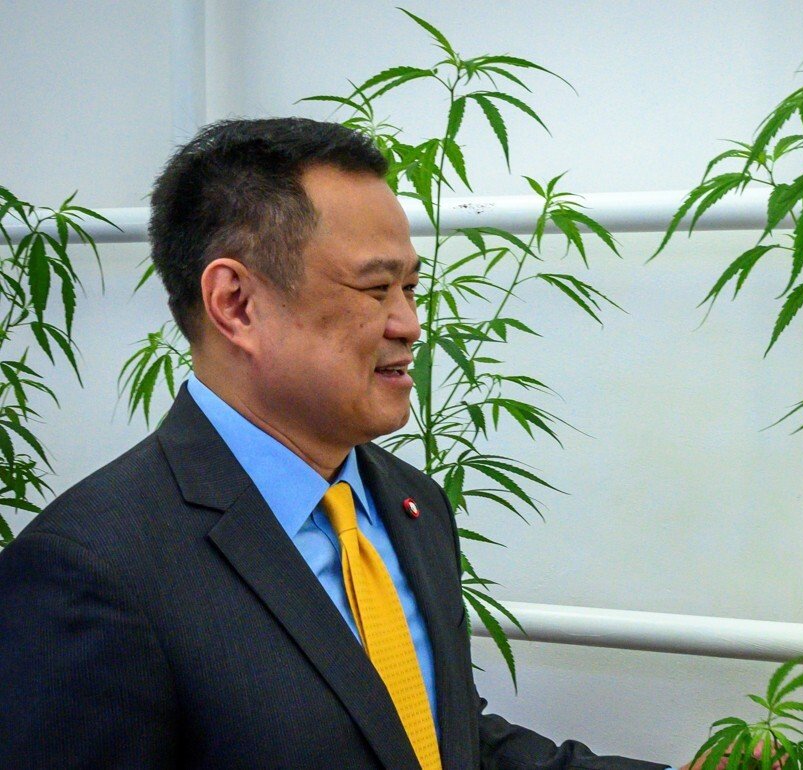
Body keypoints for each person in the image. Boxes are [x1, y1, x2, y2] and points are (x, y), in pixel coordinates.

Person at [0, 117, 682, 769]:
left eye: (412, 288)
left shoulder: (410, 504)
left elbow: (436, 738)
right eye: (377, 288)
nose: (411, 324)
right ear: (236, 304)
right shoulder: (92, 573)